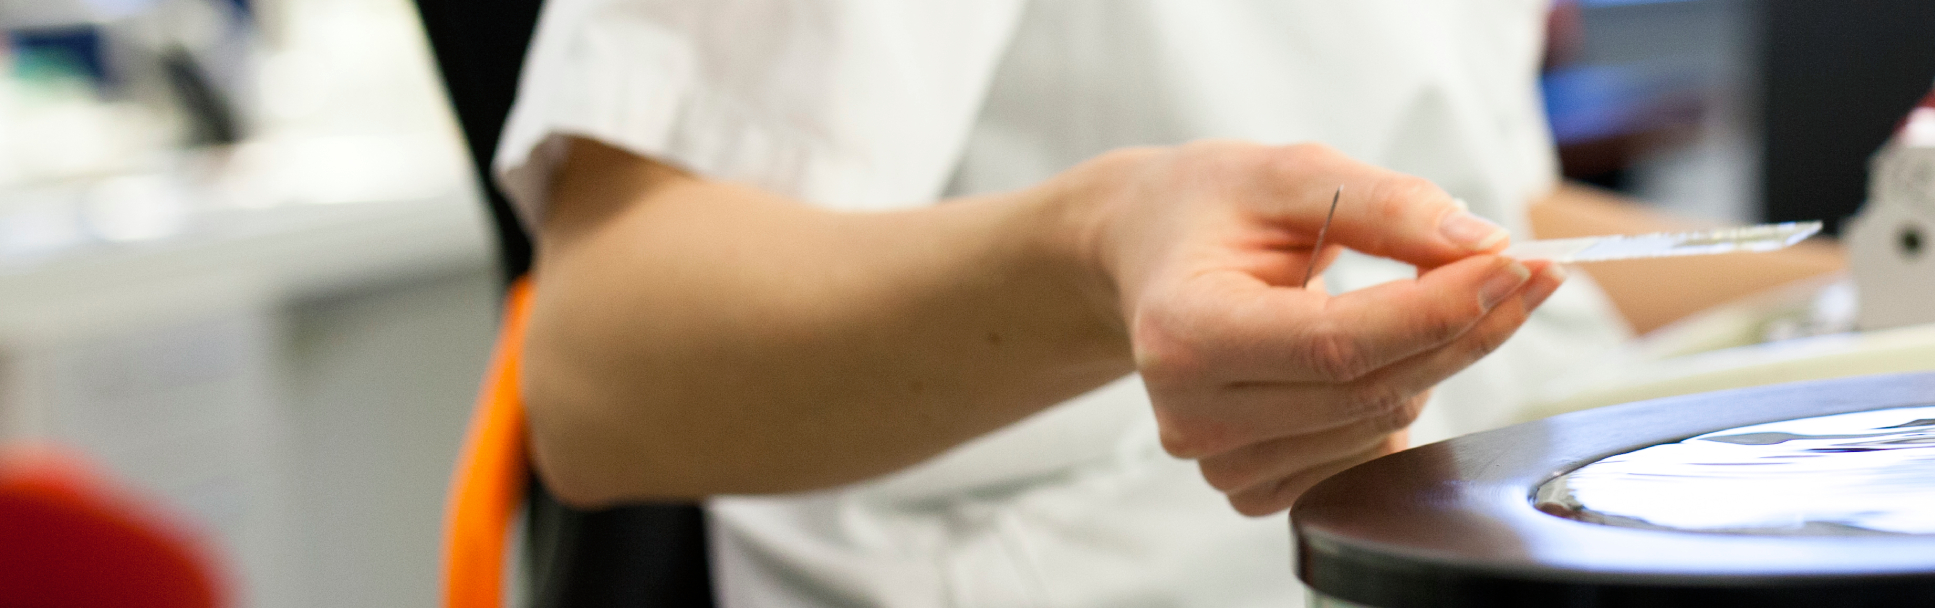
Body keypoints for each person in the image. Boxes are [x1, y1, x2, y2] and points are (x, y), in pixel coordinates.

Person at [492, 2, 1843, 605]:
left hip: (1473, 546)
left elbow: (1458, 207)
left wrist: (1868, 276)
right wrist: (1093, 256)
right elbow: (602, 370)